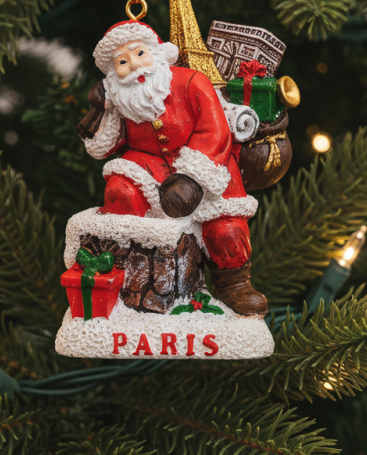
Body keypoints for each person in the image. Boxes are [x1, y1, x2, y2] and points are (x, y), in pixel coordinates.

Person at [79, 20, 267, 316]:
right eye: (123, 62)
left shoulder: (191, 82)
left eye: (140, 54)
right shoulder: (121, 99)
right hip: (147, 163)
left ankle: (234, 283)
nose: (135, 66)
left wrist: (193, 178)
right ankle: (126, 278)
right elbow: (104, 146)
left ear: (158, 53)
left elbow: (214, 131)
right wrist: (101, 110)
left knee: (226, 230)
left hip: (205, 163)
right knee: (119, 192)